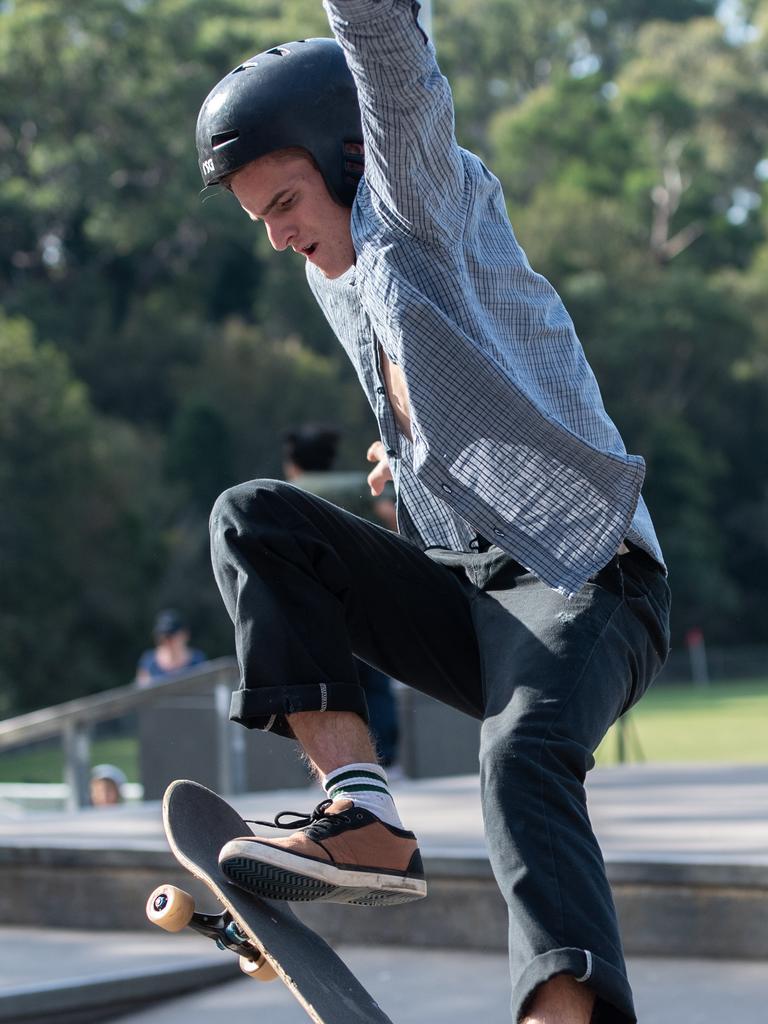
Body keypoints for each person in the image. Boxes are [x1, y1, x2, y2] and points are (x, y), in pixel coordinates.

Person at [196, 7, 671, 1024]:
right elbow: (444, 388)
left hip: (588, 580)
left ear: (351, 155)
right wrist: (407, 456)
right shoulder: (338, 276)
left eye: (285, 201)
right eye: (259, 221)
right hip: (473, 593)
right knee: (255, 519)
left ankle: (564, 1012)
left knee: (521, 755)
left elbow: (393, 65)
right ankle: (360, 814)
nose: (279, 237)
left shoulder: (411, 203)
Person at [283, 424, 400, 767]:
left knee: (327, 690)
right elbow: (392, 521)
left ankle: (342, 767)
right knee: (376, 686)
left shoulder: (289, 492)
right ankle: (387, 760)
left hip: (315, 608)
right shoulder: (360, 485)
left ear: (293, 462)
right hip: (367, 600)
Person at [135, 609, 207, 686]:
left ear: (185, 634)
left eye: (171, 635)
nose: (167, 640)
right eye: (163, 636)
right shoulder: (148, 661)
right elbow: (141, 692)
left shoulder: (198, 659)